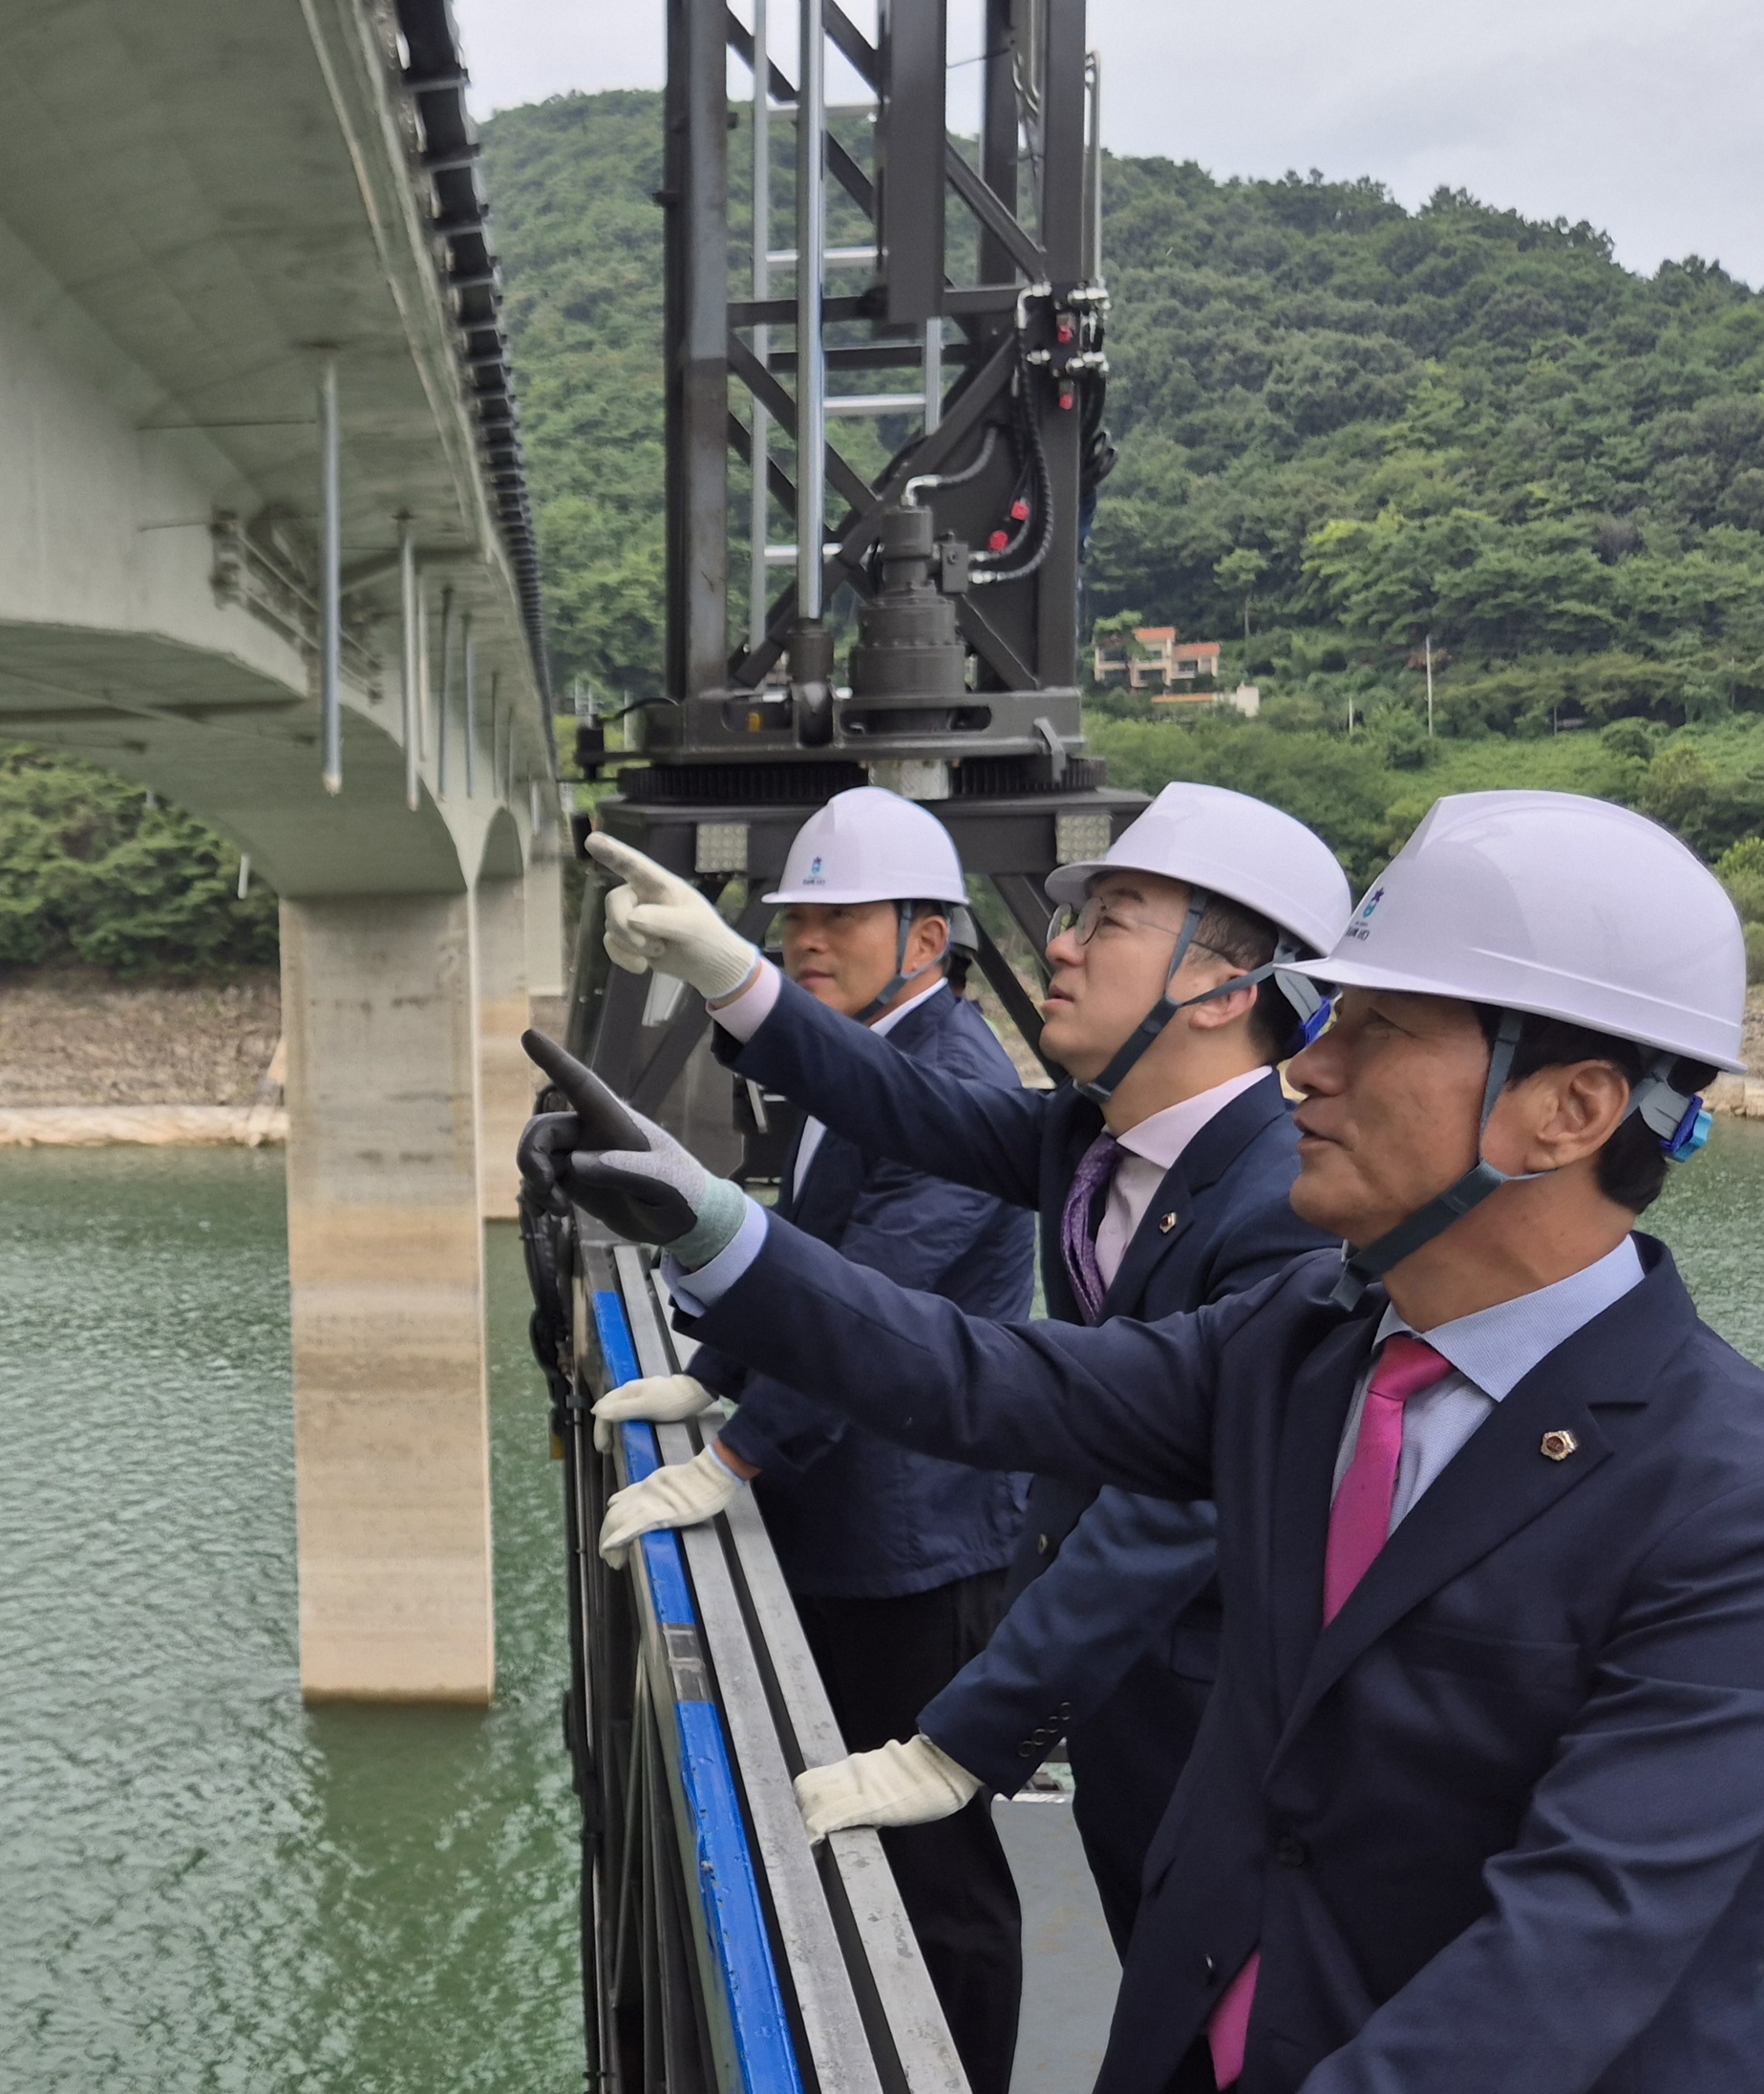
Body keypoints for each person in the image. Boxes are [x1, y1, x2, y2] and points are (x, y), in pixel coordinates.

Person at [531, 790, 1764, 2093]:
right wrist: (712, 1225)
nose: (1310, 1068)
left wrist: (967, 1734)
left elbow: (1555, 1973)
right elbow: (994, 1376)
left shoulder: (1718, 1500)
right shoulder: (1319, 1337)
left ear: (1567, 1111)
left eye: (1383, 1030)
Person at [584, 784, 1350, 1948]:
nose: (1060, 942)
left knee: (1207, 1990)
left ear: (1226, 987)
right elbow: (900, 1098)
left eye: (1111, 919)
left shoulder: (1284, 1208)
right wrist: (728, 970)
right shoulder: (1093, 1138)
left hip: (1214, 1708)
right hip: (1114, 1686)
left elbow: (1173, 1504)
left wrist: (965, 1735)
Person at [586, 789, 1036, 2094]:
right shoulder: (869, 1058)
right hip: (848, 1510)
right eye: (796, 918)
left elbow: (871, 1322)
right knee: (847, 1800)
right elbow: (811, 1259)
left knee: (940, 1861)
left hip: (918, 1537)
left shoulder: (951, 1081)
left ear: (933, 935)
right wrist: (711, 1373)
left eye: (843, 913)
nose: (811, 940)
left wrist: (725, 1458)